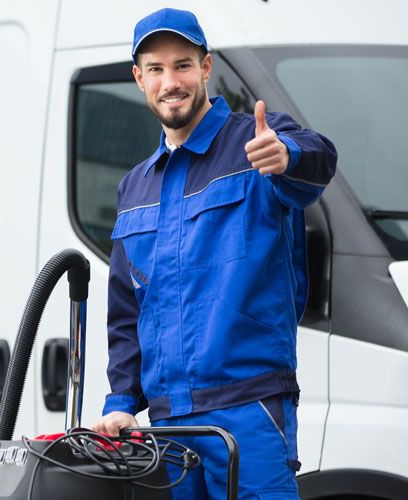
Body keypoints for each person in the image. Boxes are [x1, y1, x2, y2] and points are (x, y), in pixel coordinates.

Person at [92, 8, 337, 499]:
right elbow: (126, 309)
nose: (171, 82)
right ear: (139, 79)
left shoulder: (254, 142)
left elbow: (319, 156)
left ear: (205, 69)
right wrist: (121, 400)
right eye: (156, 70)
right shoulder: (134, 186)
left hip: (249, 408)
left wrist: (287, 155)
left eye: (183, 65)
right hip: (168, 425)